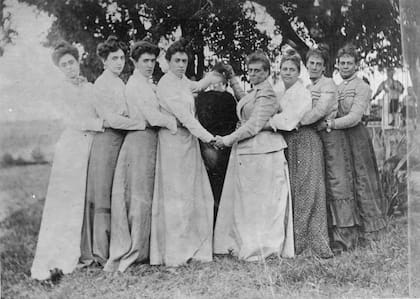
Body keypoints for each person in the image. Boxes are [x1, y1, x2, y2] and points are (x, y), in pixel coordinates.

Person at [31, 41, 107, 280]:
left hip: (90, 145)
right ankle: (60, 254)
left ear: (78, 62)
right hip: (72, 147)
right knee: (67, 201)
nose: (69, 68)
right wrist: (100, 125)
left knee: (86, 198)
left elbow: (100, 109)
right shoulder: (61, 91)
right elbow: (73, 120)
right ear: (59, 69)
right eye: (63, 65)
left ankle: (87, 248)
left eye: (71, 62)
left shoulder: (90, 87)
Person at [213, 51, 294, 261]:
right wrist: (232, 79)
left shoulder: (267, 93)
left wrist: (227, 140)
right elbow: (245, 101)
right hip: (252, 153)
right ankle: (248, 244)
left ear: (267, 72)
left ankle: (264, 248)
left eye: (258, 71)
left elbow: (253, 125)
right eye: (250, 70)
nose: (253, 74)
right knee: (251, 203)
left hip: (265, 153)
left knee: (264, 204)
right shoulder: (256, 91)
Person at [103, 41, 177, 272]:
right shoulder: (135, 84)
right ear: (134, 62)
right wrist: (173, 122)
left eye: (153, 60)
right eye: (145, 60)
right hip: (140, 141)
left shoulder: (148, 83)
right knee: (138, 199)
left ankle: (143, 250)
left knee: (145, 197)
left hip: (148, 141)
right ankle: (134, 252)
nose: (150, 65)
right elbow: (152, 118)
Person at [150, 38, 221, 267]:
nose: (181, 64)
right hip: (172, 143)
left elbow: (197, 86)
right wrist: (210, 139)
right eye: (177, 60)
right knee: (176, 197)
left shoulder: (182, 82)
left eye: (184, 61)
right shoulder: (166, 85)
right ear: (168, 61)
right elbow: (187, 118)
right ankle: (175, 253)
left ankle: (195, 248)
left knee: (194, 194)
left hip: (188, 143)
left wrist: (216, 74)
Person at [80, 36, 145, 266]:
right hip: (106, 142)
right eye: (114, 58)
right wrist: (138, 123)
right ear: (104, 61)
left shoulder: (119, 82)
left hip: (121, 140)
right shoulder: (101, 84)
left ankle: (116, 245)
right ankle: (100, 251)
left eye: (121, 58)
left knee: (116, 193)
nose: (119, 62)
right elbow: (110, 119)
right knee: (103, 195)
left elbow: (123, 113)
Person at [317, 44, 386, 242]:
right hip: (340, 139)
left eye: (350, 63)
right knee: (344, 181)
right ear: (337, 65)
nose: (346, 66)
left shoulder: (362, 87)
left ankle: (371, 232)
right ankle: (350, 231)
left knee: (362, 179)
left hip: (356, 137)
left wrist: (329, 123)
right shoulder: (336, 88)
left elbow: (355, 117)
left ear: (356, 65)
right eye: (342, 63)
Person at [268, 49, 333, 258]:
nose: (287, 72)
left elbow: (291, 121)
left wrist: (269, 123)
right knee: (293, 191)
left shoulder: (302, 92)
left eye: (292, 69)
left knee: (307, 191)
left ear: (298, 72)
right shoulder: (279, 91)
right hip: (288, 142)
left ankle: (308, 245)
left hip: (305, 141)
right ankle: (292, 243)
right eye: (284, 68)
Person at [300, 46, 360, 254]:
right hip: (317, 138)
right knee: (324, 184)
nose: (315, 67)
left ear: (325, 66)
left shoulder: (328, 85)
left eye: (319, 63)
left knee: (338, 183)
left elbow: (320, 110)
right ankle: (327, 235)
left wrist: (296, 122)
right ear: (306, 65)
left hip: (331, 136)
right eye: (311, 63)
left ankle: (345, 238)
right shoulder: (308, 86)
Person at [195, 63, 238, 221]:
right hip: (223, 143)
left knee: (210, 184)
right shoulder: (228, 98)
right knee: (222, 185)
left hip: (208, 142)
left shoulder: (202, 98)